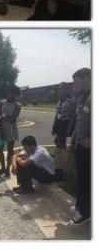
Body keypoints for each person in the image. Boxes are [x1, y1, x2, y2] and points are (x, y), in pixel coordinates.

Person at [68, 68, 91, 226]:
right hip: (80, 146)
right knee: (82, 178)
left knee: (88, 179)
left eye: (77, 82)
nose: (74, 85)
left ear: (88, 78)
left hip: (90, 148)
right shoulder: (82, 98)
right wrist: (74, 141)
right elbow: (79, 122)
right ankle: (81, 206)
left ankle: (86, 212)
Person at [0, 86, 21, 177]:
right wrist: (1, 128)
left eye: (12, 93)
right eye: (8, 92)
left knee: (10, 150)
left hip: (11, 129)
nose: (9, 94)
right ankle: (2, 168)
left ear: (15, 94)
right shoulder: (1, 103)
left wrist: (1, 117)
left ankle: (7, 169)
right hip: (1, 128)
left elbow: (13, 119)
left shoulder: (17, 105)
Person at [52, 82, 76, 179]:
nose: (61, 90)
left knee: (57, 140)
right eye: (60, 89)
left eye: (63, 88)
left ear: (67, 89)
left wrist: (70, 127)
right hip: (59, 122)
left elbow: (73, 114)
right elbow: (57, 113)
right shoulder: (60, 100)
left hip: (66, 122)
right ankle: (64, 164)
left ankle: (64, 163)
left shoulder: (72, 99)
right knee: (62, 143)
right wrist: (54, 126)